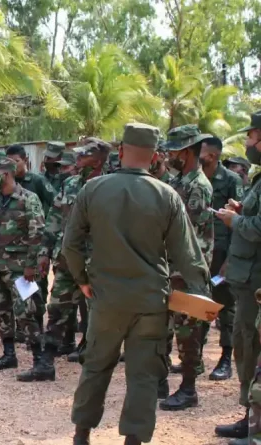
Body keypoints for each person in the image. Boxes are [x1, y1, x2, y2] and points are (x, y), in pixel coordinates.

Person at [65, 123, 210, 445]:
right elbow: (187, 256)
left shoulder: (92, 189)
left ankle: (81, 435)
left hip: (106, 300)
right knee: (143, 376)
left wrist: (83, 281)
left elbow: (71, 245)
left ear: (120, 152)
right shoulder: (167, 195)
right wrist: (203, 298)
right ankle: (134, 439)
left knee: (96, 367)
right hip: (149, 303)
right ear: (155, 156)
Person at [40, 140, 110, 371]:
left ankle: (93, 363)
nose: (77, 160)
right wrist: (44, 253)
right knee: (57, 306)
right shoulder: (70, 184)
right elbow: (54, 219)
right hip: (68, 259)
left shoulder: (112, 187)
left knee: (97, 314)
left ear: (98, 161)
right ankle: (46, 362)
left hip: (99, 263)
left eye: (83, 157)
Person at [158, 125, 214, 412]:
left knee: (187, 333)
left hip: (187, 272)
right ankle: (161, 381)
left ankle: (189, 388)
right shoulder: (179, 181)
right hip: (171, 268)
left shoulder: (198, 186)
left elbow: (185, 230)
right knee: (164, 328)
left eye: (174, 150)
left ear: (188, 151)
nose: (169, 154)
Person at [0, 152, 49, 381]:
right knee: (1, 312)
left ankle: (41, 362)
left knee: (27, 312)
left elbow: (37, 234)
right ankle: (9, 354)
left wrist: (31, 267)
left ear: (6, 173)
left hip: (22, 271)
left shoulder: (28, 199)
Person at [213, 111, 261, 440]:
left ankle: (255, 425)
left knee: (251, 348)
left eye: (251, 137)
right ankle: (251, 417)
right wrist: (244, 212)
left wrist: (235, 222)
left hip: (256, 283)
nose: (247, 143)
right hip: (248, 279)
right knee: (247, 346)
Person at [200, 136, 243, 381]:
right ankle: (194, 358)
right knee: (198, 304)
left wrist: (230, 260)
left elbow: (238, 221)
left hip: (222, 253)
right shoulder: (194, 179)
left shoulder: (231, 181)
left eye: (201, 152)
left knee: (226, 307)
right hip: (199, 253)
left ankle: (225, 358)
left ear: (213, 156)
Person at [5, 144, 55, 329]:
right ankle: (22, 327)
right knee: (15, 287)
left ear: (25, 160)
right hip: (13, 246)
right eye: (9, 162)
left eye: (16, 161)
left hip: (35, 242)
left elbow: (55, 203)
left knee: (36, 287)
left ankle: (37, 327)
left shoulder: (37, 181)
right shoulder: (4, 182)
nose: (12, 165)